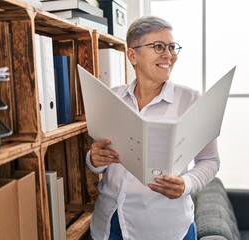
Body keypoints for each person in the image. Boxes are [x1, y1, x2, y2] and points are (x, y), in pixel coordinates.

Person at [86, 16, 220, 240]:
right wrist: (93, 159)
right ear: (132, 55)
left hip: (165, 229)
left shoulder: (190, 100)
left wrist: (186, 184)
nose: (169, 55)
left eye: (172, 47)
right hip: (109, 224)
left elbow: (210, 161)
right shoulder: (111, 98)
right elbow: (97, 158)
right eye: (158, 46)